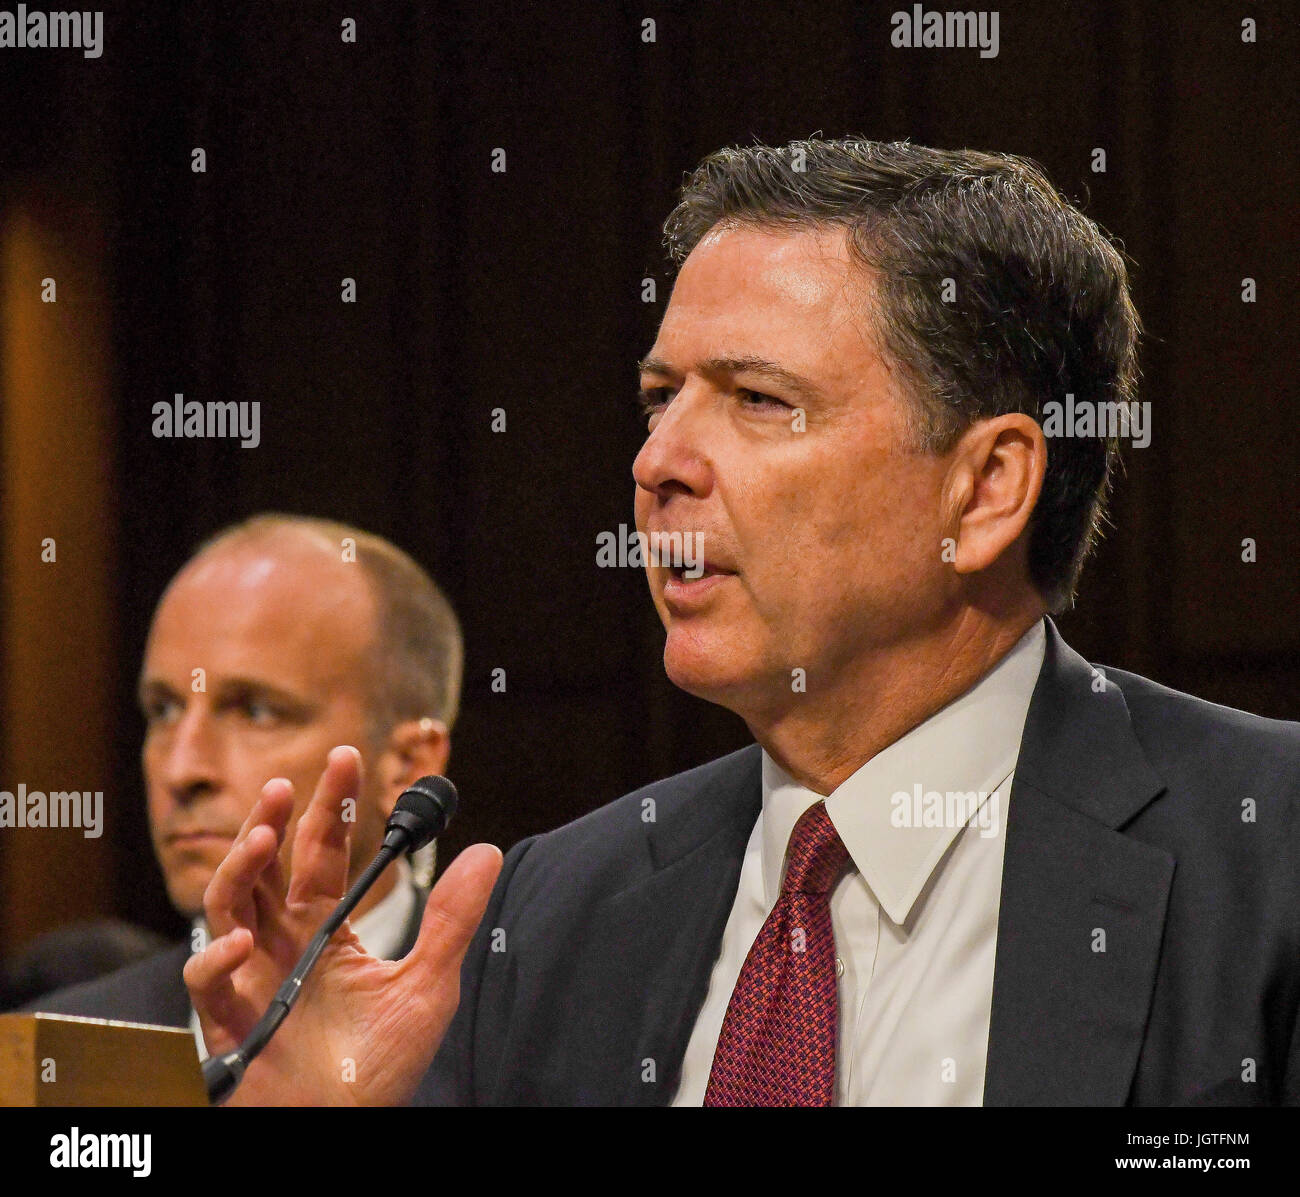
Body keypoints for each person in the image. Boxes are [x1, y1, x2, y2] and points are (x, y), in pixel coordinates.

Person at [185, 139, 1300, 1107]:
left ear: (986, 489)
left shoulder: (1266, 853)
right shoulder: (561, 910)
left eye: (759, 401)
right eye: (659, 398)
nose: (656, 463)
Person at [28, 514, 463, 1059]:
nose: (182, 769)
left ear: (406, 766)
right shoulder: (54, 1054)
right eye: (163, 710)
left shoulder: (513, 1031)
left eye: (254, 711)